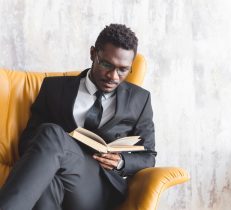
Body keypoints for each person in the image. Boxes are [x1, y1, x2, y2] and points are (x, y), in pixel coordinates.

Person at [0, 23, 156, 210]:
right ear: (93, 54)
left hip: (100, 188)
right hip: (58, 176)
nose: (113, 76)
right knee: (48, 180)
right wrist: (61, 149)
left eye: (123, 69)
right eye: (107, 64)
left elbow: (149, 155)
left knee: (51, 133)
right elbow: (27, 141)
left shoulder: (140, 99)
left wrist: (121, 162)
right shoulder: (54, 88)